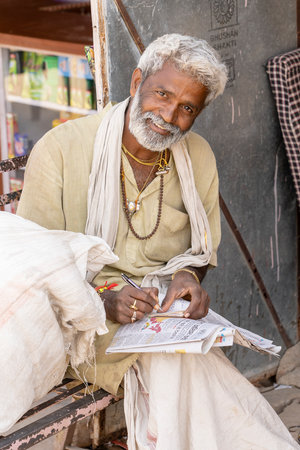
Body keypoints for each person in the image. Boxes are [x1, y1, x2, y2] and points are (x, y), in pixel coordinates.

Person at [17, 34, 298, 449]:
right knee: (179, 364)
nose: (168, 115)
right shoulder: (62, 149)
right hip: (76, 323)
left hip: (155, 316)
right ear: (136, 84)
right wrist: (102, 302)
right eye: (161, 94)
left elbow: (200, 250)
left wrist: (187, 275)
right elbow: (34, 267)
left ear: (198, 114)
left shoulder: (196, 155)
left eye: (187, 108)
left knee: (180, 355)